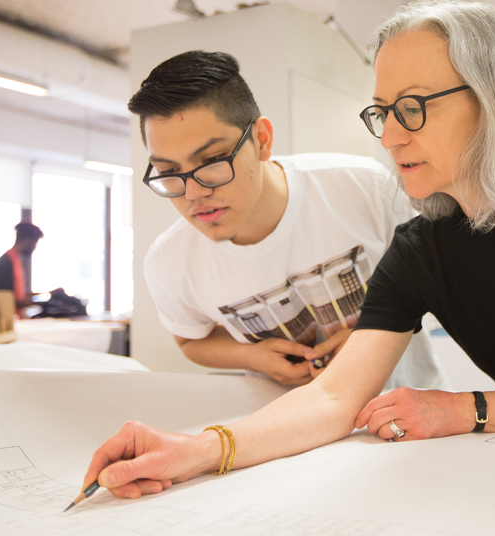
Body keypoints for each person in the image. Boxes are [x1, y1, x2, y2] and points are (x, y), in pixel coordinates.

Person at [82, 0, 495, 500]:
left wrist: (461, 410)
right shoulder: (422, 245)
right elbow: (333, 397)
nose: (390, 135)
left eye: (413, 108)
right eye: (382, 112)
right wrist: (197, 449)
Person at [128, 50, 448, 389]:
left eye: (211, 160)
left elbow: (440, 287)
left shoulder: (364, 187)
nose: (192, 193)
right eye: (168, 172)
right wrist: (250, 356)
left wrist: (372, 336)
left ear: (261, 140)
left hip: (415, 417)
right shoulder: (170, 262)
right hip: (294, 433)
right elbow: (190, 341)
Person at [0, 222, 43, 310]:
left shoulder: (16, 260)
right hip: (8, 318)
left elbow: (18, 295)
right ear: (27, 242)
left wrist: (46, 294)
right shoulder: (5, 263)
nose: (35, 247)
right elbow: (5, 299)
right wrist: (41, 302)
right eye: (35, 243)